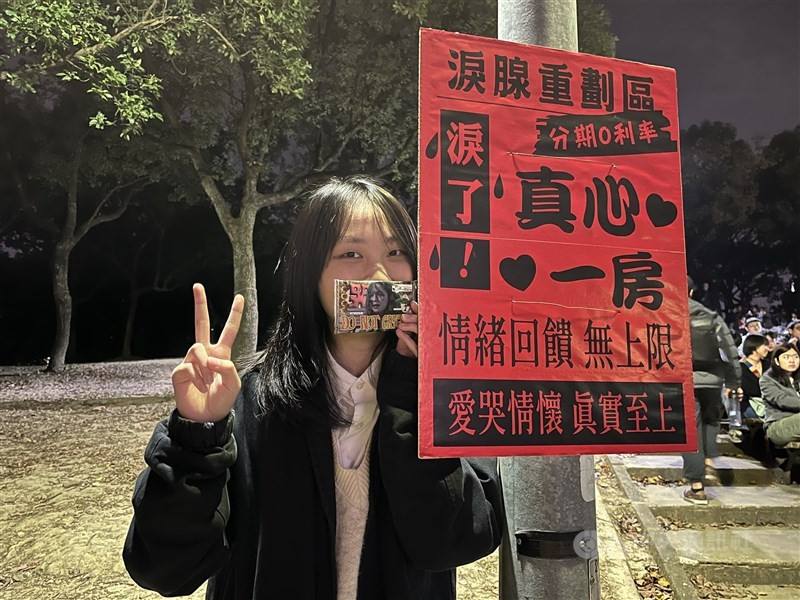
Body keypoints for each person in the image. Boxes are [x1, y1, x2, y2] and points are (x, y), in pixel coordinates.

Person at [122, 176, 504, 600]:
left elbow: (458, 540)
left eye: (396, 252)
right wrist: (196, 436)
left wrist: (411, 396)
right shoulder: (253, 400)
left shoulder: (451, 396)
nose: (379, 273)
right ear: (310, 273)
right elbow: (164, 570)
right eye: (351, 253)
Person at [683, 277, 741, 505]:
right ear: (691, 291)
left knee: (690, 430)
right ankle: (708, 462)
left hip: (684, 380)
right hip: (713, 380)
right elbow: (729, 351)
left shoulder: (669, 315)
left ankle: (697, 487)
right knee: (710, 421)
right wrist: (734, 382)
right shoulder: (711, 316)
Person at [760, 344, 800, 447]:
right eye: (786, 357)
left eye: (795, 357)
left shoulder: (797, 378)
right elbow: (782, 400)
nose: (792, 360)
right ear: (777, 361)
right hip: (779, 425)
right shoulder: (767, 379)